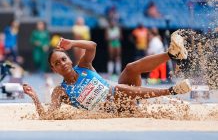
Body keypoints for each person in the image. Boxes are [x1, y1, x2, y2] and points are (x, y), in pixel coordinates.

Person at [23, 30, 191, 119]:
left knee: (130, 68)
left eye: (63, 59)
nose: (62, 64)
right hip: (118, 109)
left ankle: (172, 54)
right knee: (116, 89)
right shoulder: (60, 91)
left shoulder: (83, 66)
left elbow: (92, 46)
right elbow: (48, 115)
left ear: (69, 59)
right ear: (54, 70)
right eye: (57, 64)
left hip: (127, 96)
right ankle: (171, 90)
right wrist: (35, 97)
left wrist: (72, 43)